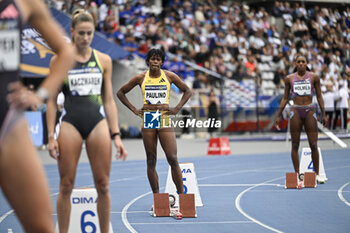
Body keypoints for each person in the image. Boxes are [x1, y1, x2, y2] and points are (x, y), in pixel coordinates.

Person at [46, 10, 127, 233]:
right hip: (70, 122)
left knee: (103, 185)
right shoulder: (59, 61)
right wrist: (51, 136)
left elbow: (109, 100)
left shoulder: (103, 60)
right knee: (66, 185)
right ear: (71, 32)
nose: (85, 37)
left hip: (96, 123)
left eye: (89, 33)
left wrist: (116, 135)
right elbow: (52, 101)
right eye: (81, 33)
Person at [0, 0, 74, 232]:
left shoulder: (25, 2)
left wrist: (40, 94)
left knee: (41, 228)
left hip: (7, 122)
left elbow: (66, 51)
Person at [117, 48, 192, 196]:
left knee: (172, 158)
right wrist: (133, 109)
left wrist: (177, 108)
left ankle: (183, 196)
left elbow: (187, 91)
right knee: (151, 160)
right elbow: (120, 92)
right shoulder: (140, 78)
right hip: (149, 117)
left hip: (163, 117)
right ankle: (157, 198)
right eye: (152, 59)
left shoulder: (169, 76)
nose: (155, 62)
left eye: (158, 59)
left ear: (162, 62)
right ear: (148, 61)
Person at [275, 54, 326, 183]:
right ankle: (298, 174)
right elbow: (285, 98)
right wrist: (278, 115)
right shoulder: (289, 78)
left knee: (313, 144)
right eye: (299, 62)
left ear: (306, 63)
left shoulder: (314, 77)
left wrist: (323, 113)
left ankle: (317, 174)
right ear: (295, 64)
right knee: (295, 144)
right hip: (296, 111)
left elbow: (319, 96)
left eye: (303, 61)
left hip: (310, 110)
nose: (301, 63)